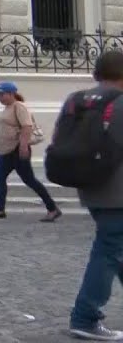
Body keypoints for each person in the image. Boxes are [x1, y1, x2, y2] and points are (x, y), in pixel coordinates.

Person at [64, 51, 123, 340]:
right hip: (119, 192)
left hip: (90, 187)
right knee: (108, 251)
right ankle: (85, 317)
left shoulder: (77, 100)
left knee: (114, 248)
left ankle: (85, 316)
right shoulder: (121, 103)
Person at [0, 81, 60, 222]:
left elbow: (27, 126)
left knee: (29, 180)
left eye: (2, 94)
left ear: (11, 94)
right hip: (6, 151)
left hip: (16, 150)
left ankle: (52, 208)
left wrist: (23, 147)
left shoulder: (19, 107)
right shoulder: (8, 108)